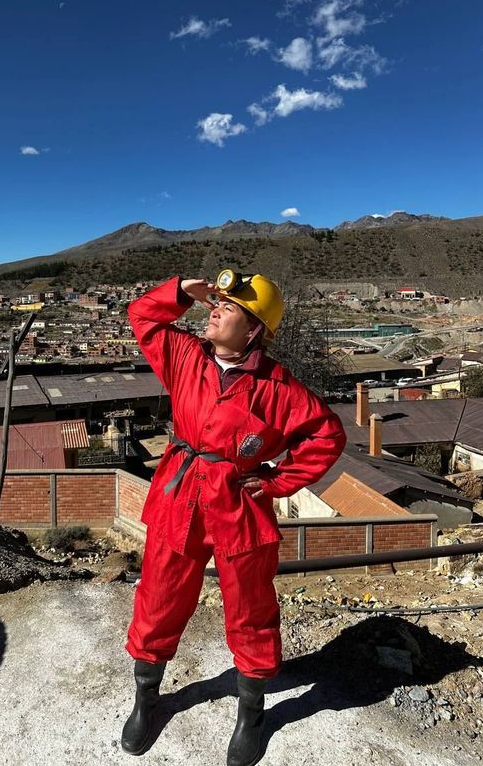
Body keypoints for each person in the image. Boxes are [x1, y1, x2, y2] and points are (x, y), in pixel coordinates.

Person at [121, 271, 346, 766]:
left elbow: (327, 437)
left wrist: (274, 481)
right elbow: (142, 315)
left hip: (237, 503)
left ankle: (252, 713)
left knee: (250, 607)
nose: (215, 310)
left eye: (229, 308)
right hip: (180, 494)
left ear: (253, 330)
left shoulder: (280, 389)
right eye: (215, 303)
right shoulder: (185, 358)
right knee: (159, 595)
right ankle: (146, 697)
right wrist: (181, 291)